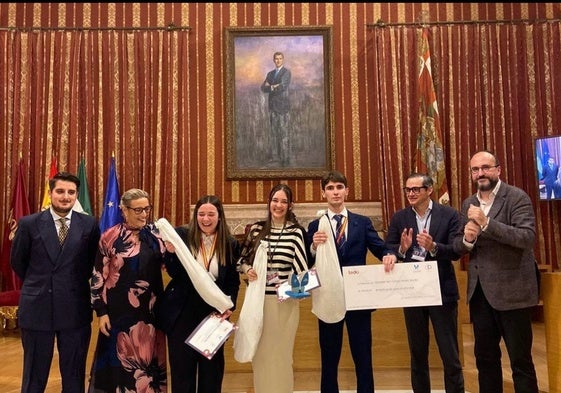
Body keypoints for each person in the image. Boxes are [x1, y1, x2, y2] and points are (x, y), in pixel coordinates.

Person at [454, 150, 539, 393]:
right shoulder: (468, 203)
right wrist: (468, 239)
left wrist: (487, 223)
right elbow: (463, 245)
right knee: (485, 361)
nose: (480, 173)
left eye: (485, 167)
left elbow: (526, 237)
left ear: (498, 170)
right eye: (475, 169)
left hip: (513, 294)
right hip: (480, 295)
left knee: (520, 362)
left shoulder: (516, 197)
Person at [306, 170, 397, 393]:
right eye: (330, 188)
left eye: (339, 187)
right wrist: (314, 246)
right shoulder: (314, 226)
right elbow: (306, 261)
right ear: (323, 193)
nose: (335, 192)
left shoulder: (362, 222)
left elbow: (379, 247)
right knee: (329, 356)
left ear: (347, 191)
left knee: (363, 355)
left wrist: (390, 254)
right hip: (328, 296)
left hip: (359, 298)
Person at [10, 172, 100, 393]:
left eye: (71, 192)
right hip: (38, 307)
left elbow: (92, 262)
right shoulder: (29, 223)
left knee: (73, 374)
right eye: (60, 191)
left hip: (74, 308)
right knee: (34, 375)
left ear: (76, 195)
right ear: (50, 194)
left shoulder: (89, 224)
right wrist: (41, 283)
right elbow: (18, 262)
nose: (65, 196)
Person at [384, 173, 465, 393]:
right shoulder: (400, 217)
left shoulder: (449, 215)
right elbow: (389, 246)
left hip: (442, 292)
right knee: (417, 354)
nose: (410, 193)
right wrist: (400, 248)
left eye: (415, 189)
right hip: (412, 292)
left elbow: (457, 250)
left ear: (429, 190)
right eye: (407, 189)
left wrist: (434, 247)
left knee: (450, 354)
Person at [156, 195, 241, 393]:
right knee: (182, 374)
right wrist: (170, 253)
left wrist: (230, 306)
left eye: (211, 214)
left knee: (211, 375)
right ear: (196, 216)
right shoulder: (182, 236)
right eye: (201, 214)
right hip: (181, 315)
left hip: (213, 317)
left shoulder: (229, 243)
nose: (206, 219)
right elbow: (174, 273)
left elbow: (232, 281)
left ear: (219, 217)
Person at [89, 188, 168, 393]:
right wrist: (102, 312)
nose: (143, 214)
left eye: (146, 209)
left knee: (146, 367)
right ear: (124, 210)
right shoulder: (110, 237)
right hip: (118, 314)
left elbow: (170, 265)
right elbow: (98, 275)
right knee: (120, 366)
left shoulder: (156, 235)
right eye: (138, 210)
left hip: (150, 313)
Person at [236, 183, 308, 393]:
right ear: (269, 203)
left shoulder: (296, 233)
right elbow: (240, 260)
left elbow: (302, 272)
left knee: (282, 356)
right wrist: (248, 269)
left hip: (284, 304)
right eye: (275, 200)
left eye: (284, 201)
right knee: (260, 355)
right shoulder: (256, 229)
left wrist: (289, 286)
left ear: (290, 205)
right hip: (258, 303)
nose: (278, 205)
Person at [261, 51, 292, 166]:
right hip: (273, 108)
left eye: (280, 58)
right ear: (273, 60)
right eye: (276, 59)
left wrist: (271, 87)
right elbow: (263, 88)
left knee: (284, 134)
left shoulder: (286, 73)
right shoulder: (270, 74)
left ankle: (286, 159)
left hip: (283, 108)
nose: (278, 60)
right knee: (275, 134)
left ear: (283, 60)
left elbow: (283, 86)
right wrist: (274, 86)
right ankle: (277, 158)